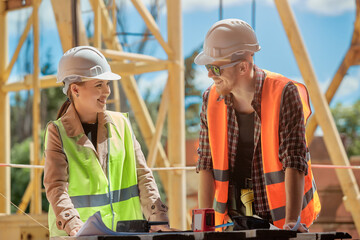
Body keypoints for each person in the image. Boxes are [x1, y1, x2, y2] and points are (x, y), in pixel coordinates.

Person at [195, 19, 321, 232]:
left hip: (280, 218)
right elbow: (205, 164)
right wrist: (203, 225)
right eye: (208, 67)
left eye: (215, 68)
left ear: (243, 66)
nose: (209, 75)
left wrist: (292, 221)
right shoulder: (211, 99)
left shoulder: (284, 93)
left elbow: (294, 160)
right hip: (234, 218)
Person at [44, 46, 170, 237]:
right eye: (99, 85)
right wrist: (72, 223)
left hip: (126, 234)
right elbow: (56, 187)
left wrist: (157, 216)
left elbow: (143, 176)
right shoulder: (57, 132)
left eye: (107, 84)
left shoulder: (122, 124)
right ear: (75, 89)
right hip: (80, 236)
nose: (107, 91)